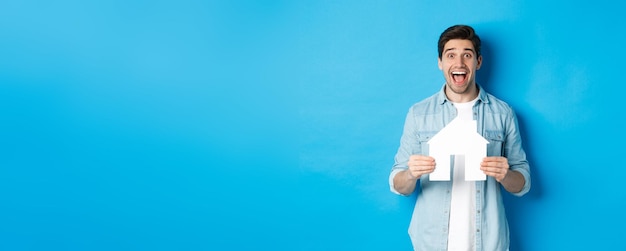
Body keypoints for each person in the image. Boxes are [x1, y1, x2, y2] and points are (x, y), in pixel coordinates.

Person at [388, 24, 531, 251]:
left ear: (478, 62)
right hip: (431, 243)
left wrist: (506, 175)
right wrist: (411, 173)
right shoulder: (418, 113)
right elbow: (398, 184)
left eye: (467, 55)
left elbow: (522, 183)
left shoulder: (503, 113)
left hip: (488, 243)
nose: (459, 63)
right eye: (451, 55)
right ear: (440, 63)